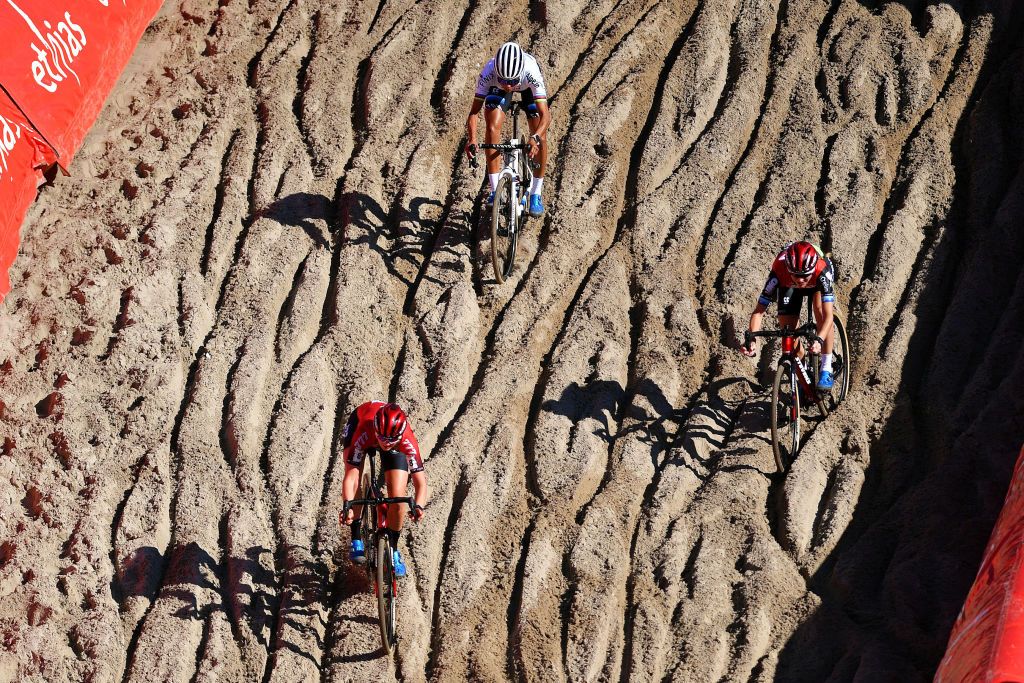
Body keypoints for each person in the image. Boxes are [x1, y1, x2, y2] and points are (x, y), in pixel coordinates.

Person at [339, 401, 428, 577]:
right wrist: (347, 506)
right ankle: (356, 537)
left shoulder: (407, 440)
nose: (386, 444)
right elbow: (350, 478)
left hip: (387, 438)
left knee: (399, 499)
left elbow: (420, 483)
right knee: (355, 478)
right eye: (383, 439)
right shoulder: (364, 430)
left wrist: (418, 506)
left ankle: (394, 549)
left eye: (391, 440)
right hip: (361, 426)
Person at [464, 41, 551, 217]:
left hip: (528, 89)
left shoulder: (531, 71)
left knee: (538, 128)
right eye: (504, 80)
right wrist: (472, 138)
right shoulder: (489, 72)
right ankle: (495, 190)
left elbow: (546, 116)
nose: (509, 86)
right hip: (497, 89)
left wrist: (535, 137)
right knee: (491, 126)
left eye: (512, 81)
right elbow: (474, 112)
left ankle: (536, 192)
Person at [740, 241, 837, 390]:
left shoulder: (821, 270)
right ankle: (803, 371)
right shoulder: (778, 271)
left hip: (816, 283)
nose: (800, 281)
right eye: (796, 276)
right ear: (788, 269)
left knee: (821, 313)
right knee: (788, 330)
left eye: (804, 276)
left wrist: (819, 339)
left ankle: (826, 368)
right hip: (787, 285)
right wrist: (752, 339)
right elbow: (759, 311)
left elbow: (829, 316)